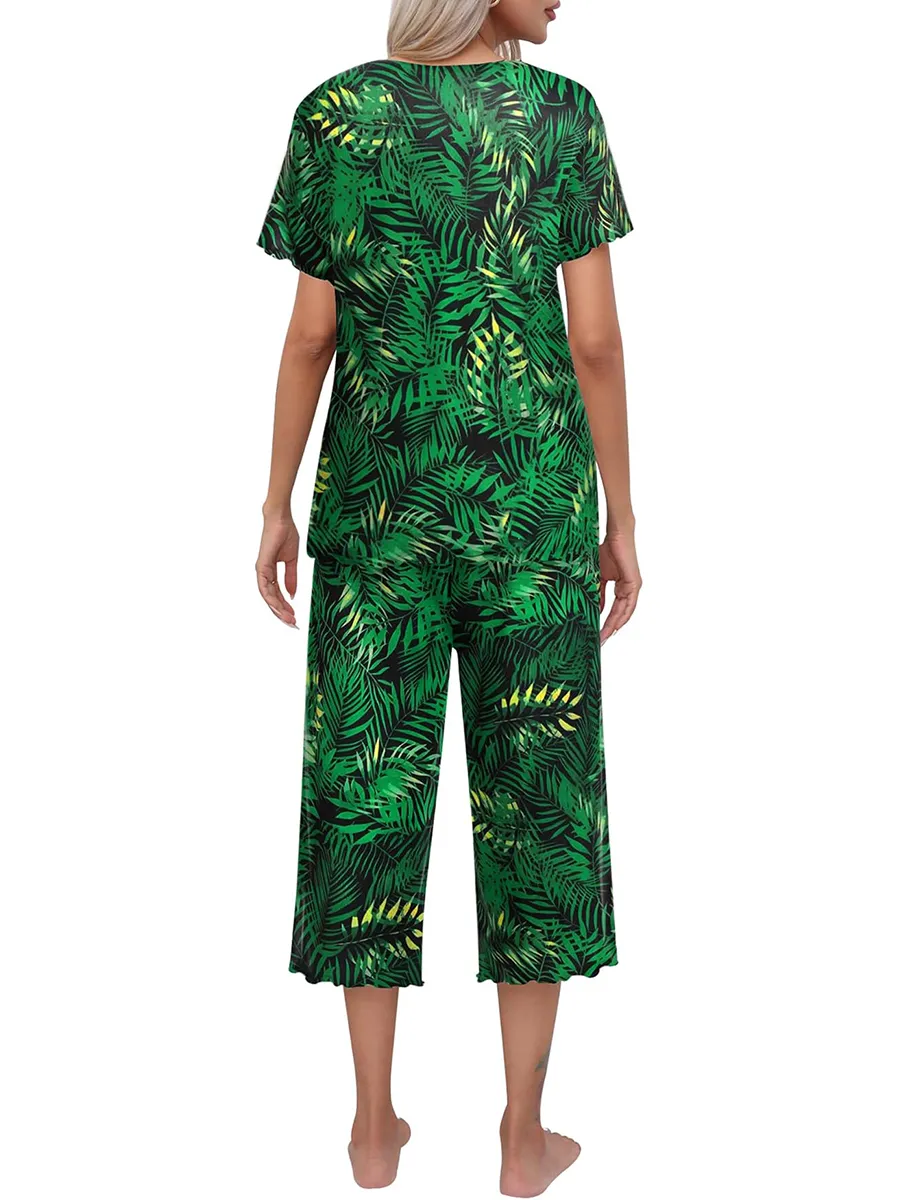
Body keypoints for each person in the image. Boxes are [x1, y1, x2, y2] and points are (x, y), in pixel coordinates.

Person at [254, 0, 642, 1193]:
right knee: (537, 813)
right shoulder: (560, 119)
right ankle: (524, 1135)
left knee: (369, 803)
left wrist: (276, 500)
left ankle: (374, 1127)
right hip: (530, 521)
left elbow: (312, 334)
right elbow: (594, 341)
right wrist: (624, 513)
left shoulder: (337, 114)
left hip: (379, 523)